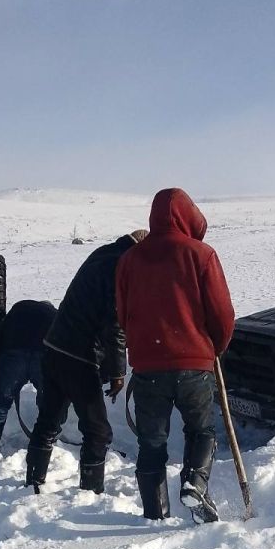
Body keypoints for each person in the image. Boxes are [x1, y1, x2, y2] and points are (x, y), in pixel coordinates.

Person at [116, 189, 235, 523]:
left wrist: (142, 343)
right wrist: (215, 347)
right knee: (201, 431)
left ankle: (156, 515)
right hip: (194, 363)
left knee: (151, 443)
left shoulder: (130, 260)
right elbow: (222, 313)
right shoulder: (201, 254)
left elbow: (122, 313)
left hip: (148, 367)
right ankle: (195, 483)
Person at [25, 229, 148, 494]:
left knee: (49, 420)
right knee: (98, 430)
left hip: (54, 346)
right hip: (79, 355)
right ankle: (90, 493)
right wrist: (117, 372)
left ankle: (33, 482)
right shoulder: (121, 266)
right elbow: (114, 325)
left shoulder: (102, 254)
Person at [0, 299, 57, 451]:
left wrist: (1, 357)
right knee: (50, 402)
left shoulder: (18, 308)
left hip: (13, 355)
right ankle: (46, 442)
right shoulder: (53, 314)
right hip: (44, 355)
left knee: (0, 403)